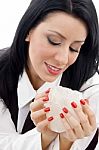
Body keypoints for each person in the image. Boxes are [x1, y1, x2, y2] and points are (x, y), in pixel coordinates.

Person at [0, 0, 99, 149]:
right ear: (28, 30)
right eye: (54, 41)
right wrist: (45, 137)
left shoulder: (90, 89)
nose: (62, 59)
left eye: (74, 48)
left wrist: (66, 142)